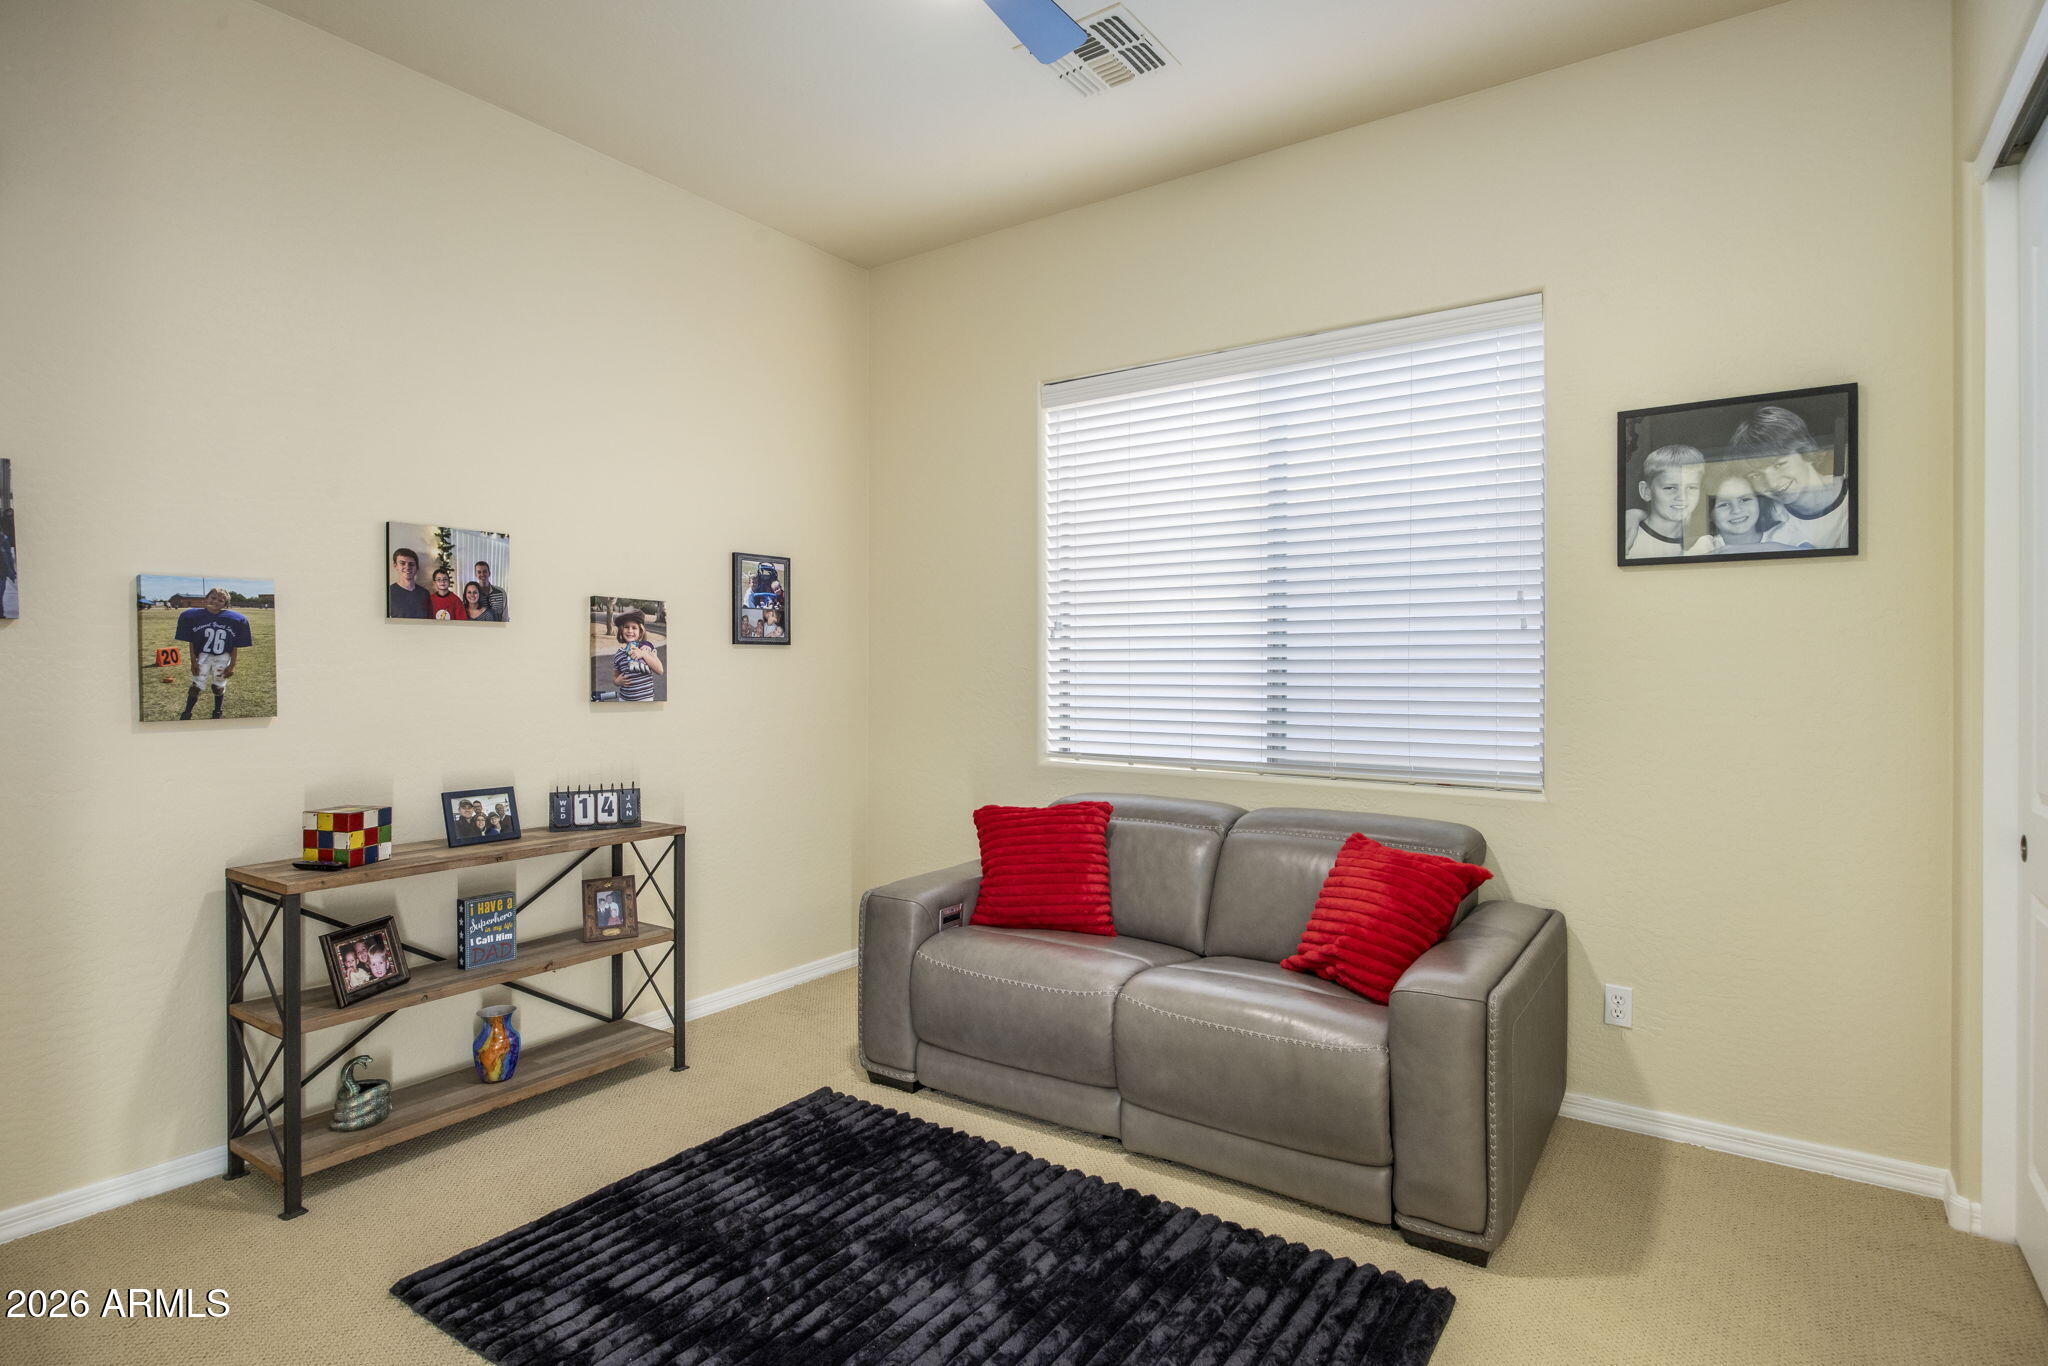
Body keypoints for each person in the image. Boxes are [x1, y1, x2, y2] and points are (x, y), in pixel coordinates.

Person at [1726, 405, 1849, 550]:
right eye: (1756, 475)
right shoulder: (1764, 521)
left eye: (1779, 465)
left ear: (1805, 452)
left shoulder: (1858, 495)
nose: (1772, 483)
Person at [175, 587, 253, 720]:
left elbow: (235, 645)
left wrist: (232, 665)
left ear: (226, 604)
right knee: (196, 686)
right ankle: (187, 713)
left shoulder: (235, 619)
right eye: (213, 598)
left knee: (218, 686)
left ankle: (217, 712)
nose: (216, 601)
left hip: (223, 657)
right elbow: (191, 641)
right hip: (203, 656)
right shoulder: (193, 616)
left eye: (221, 600)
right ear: (206, 598)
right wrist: (193, 661)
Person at [1623, 445, 1703, 560]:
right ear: (1646, 491)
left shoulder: (1707, 544)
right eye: (1670, 488)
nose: (1682, 497)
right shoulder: (1628, 540)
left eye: (1692, 487)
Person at [1688, 473, 1794, 555]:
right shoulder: (1706, 546)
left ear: (1759, 502)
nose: (1736, 510)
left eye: (1745, 500)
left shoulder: (1784, 535)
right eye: (1724, 504)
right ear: (1709, 513)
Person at [611, 609, 665, 701]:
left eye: (634, 628)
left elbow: (660, 670)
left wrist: (643, 654)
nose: (630, 630)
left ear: (640, 631)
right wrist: (617, 682)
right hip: (624, 699)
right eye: (626, 627)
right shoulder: (619, 654)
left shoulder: (647, 649)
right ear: (621, 630)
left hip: (646, 700)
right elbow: (615, 677)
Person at [388, 547, 431, 619]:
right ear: (395, 566)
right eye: (402, 563)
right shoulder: (388, 593)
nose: (407, 567)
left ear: (417, 567)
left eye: (411, 564)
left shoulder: (425, 593)